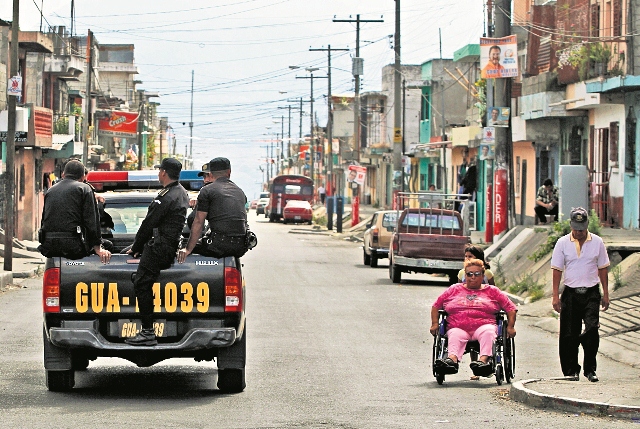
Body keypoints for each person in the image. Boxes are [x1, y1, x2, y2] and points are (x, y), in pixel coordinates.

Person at [125, 158, 189, 346]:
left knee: (142, 283)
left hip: (159, 248)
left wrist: (136, 247)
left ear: (163, 172)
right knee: (141, 277)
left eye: (160, 170)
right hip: (166, 246)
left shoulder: (167, 196)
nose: (158, 173)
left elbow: (148, 224)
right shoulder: (180, 192)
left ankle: (147, 332)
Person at [551, 207, 610, 382]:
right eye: (576, 229)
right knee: (569, 333)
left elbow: (603, 269)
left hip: (591, 292)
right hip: (570, 292)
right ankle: (571, 370)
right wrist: (555, 295)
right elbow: (557, 270)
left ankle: (590, 369)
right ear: (570, 225)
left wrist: (605, 294)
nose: (579, 232)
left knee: (592, 330)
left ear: (587, 226)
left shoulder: (597, 242)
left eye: (582, 229)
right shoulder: (562, 243)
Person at [430, 258, 517, 377]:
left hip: (484, 326)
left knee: (488, 332)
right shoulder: (454, 289)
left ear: (482, 276)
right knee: (454, 334)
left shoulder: (492, 291)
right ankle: (452, 360)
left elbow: (510, 308)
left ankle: (483, 361)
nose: (473, 277)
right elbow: (436, 306)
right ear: (465, 275)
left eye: (477, 274)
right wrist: (435, 324)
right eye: (469, 274)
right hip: (458, 327)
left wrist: (511, 327)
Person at [38, 159, 111, 264]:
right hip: (73, 246)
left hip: (49, 246)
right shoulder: (84, 189)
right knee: (108, 245)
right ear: (83, 176)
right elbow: (91, 222)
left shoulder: (51, 190)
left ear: (63, 174)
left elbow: (45, 219)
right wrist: (98, 248)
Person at [177, 157, 248, 262]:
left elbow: (198, 222)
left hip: (217, 246)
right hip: (241, 247)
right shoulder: (240, 191)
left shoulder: (206, 191)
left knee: (182, 246)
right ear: (229, 172)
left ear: (211, 174)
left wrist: (187, 249)